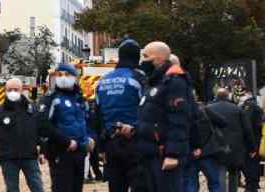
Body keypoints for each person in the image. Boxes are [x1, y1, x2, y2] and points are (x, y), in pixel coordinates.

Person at [136, 41, 193, 192]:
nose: (143, 60)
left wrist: (172, 154)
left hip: (164, 154)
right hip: (150, 152)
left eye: (146, 56)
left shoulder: (174, 82)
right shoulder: (154, 83)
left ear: (158, 58)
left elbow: (178, 119)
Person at [95, 39, 145, 192]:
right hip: (135, 140)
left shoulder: (102, 81)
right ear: (137, 57)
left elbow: (98, 116)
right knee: (141, 186)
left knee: (116, 186)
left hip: (111, 141)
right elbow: (148, 109)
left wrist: (101, 147)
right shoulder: (138, 78)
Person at [38, 62, 93, 192]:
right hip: (60, 152)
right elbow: (43, 125)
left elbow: (87, 121)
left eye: (67, 74)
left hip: (79, 152)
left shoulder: (80, 99)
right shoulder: (51, 98)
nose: (63, 77)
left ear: (74, 77)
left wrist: (90, 138)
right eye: (59, 74)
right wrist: (66, 141)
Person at [0, 78, 44, 192]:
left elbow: (41, 131)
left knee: (37, 187)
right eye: (10, 89)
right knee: (12, 189)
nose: (13, 92)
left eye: (16, 89)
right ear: (5, 91)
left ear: (22, 90)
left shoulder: (31, 110)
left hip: (29, 156)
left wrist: (43, 151)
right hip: (8, 159)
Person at [207, 88, 256, 192]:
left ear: (216, 96)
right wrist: (252, 148)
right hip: (235, 147)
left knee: (220, 172)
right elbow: (247, 130)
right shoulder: (237, 109)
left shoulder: (209, 108)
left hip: (217, 145)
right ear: (228, 97)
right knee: (233, 173)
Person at [183, 91, 228, 192]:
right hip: (207, 151)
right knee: (214, 183)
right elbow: (223, 122)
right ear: (196, 97)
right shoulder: (204, 109)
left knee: (191, 183)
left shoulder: (181, 112)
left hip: (190, 152)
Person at [239, 92, 263, 192]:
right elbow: (259, 124)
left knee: (248, 163)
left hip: (246, 140)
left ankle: (251, 185)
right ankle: (253, 185)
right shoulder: (256, 108)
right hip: (255, 139)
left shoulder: (244, 108)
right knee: (254, 163)